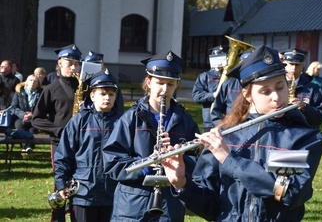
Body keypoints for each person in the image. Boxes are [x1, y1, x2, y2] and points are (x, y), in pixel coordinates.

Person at [161, 45, 322, 221]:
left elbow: (288, 193)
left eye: (280, 87)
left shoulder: (301, 137)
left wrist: (230, 160)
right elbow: (211, 207)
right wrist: (181, 184)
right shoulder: (225, 136)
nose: (276, 97)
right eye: (265, 91)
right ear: (247, 95)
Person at [102, 51, 199, 222]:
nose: (165, 89)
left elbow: (197, 162)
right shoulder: (131, 118)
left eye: (170, 84)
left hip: (170, 204)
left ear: (177, 85)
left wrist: (179, 161)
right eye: (160, 82)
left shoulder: (185, 121)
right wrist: (147, 164)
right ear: (149, 82)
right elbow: (112, 163)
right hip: (133, 205)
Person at [54, 71, 122, 222]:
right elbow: (64, 156)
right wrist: (61, 184)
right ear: (92, 96)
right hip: (83, 193)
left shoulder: (122, 123)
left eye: (111, 94)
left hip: (113, 193)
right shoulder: (78, 121)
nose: (107, 98)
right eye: (103, 93)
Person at [32, 44, 82, 222]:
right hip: (59, 143)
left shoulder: (85, 87)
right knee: (61, 184)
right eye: (70, 64)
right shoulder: (51, 88)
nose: (74, 68)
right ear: (60, 63)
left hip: (82, 144)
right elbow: (36, 118)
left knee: (80, 183)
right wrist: (59, 130)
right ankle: (58, 218)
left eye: (77, 64)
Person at [282, 49, 322, 128]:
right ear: (284, 64)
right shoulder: (275, 86)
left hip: (305, 134)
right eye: (291, 64)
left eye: (297, 65)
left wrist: (305, 107)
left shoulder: (314, 88)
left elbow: (321, 116)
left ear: (303, 66)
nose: (294, 68)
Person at [210, 51, 251, 126]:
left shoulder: (258, 85)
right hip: (229, 129)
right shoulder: (228, 84)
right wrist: (222, 127)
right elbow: (216, 111)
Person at [192, 46, 225, 132]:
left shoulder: (229, 76)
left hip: (226, 120)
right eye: (217, 58)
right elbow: (196, 96)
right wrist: (213, 95)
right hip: (209, 121)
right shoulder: (204, 76)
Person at [82, 51, 124, 115]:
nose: (94, 69)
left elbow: (119, 109)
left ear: (104, 67)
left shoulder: (111, 84)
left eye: (97, 65)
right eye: (90, 66)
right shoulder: (80, 84)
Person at [10, 74, 42, 152]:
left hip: (34, 118)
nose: (32, 82)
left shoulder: (41, 93)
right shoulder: (19, 92)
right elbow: (13, 107)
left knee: (32, 129)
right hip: (21, 118)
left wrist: (32, 115)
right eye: (30, 80)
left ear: (38, 84)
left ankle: (26, 148)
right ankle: (27, 147)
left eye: (35, 81)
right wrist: (23, 115)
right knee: (20, 126)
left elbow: (43, 108)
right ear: (26, 82)